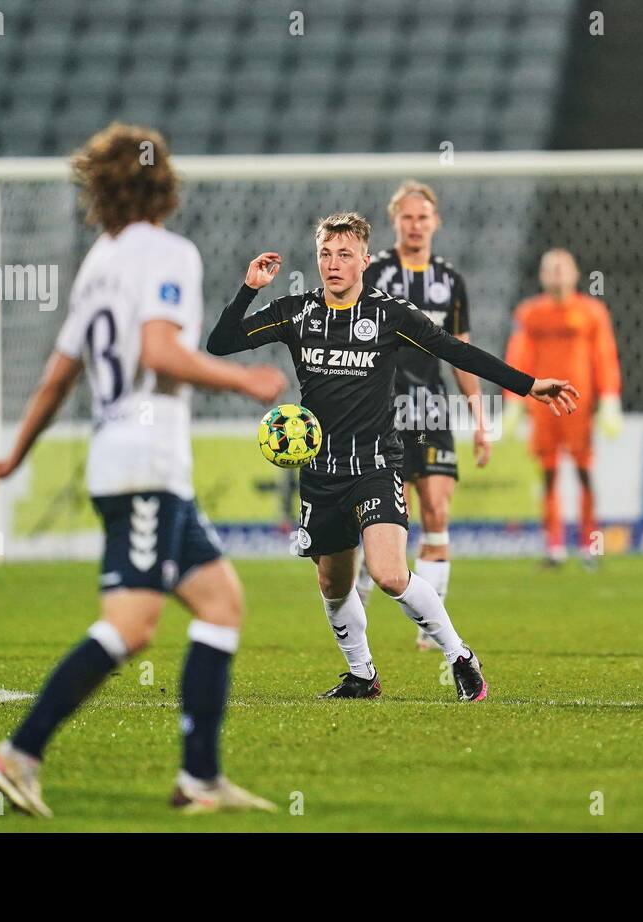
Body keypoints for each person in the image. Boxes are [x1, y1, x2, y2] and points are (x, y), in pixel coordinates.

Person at [0, 123, 287, 816]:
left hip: (135, 463)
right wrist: (244, 382)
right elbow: (161, 352)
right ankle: (18, 753)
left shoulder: (100, 261)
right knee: (133, 624)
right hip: (144, 463)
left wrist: (9, 458)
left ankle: (199, 779)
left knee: (220, 603)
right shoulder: (169, 253)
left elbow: (58, 378)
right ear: (161, 184)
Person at [207, 213, 578, 701]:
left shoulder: (389, 314)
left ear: (364, 259)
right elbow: (221, 343)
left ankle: (459, 656)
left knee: (387, 573)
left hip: (378, 464)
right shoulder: (296, 313)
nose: (333, 264)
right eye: (325, 254)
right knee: (333, 583)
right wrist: (248, 288)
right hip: (320, 472)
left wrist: (528, 385)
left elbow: (455, 351)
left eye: (344, 254)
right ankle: (363, 675)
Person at [357, 180, 488, 650]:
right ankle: (358, 613)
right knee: (385, 514)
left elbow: (461, 352)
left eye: (423, 217)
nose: (415, 225)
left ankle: (429, 632)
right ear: (396, 222)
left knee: (436, 511)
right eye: (407, 217)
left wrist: (478, 418)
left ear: (436, 223)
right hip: (381, 409)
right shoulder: (375, 273)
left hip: (430, 408)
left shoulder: (450, 280)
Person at [504, 249, 622, 567]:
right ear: (542, 276)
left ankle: (589, 544)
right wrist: (513, 400)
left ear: (574, 274)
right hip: (544, 406)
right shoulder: (530, 314)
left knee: (584, 473)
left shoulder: (592, 312)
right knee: (549, 474)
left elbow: (604, 356)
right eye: (550, 269)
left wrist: (610, 398)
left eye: (562, 269)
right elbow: (519, 355)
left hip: (579, 406)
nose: (557, 275)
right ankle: (554, 546)